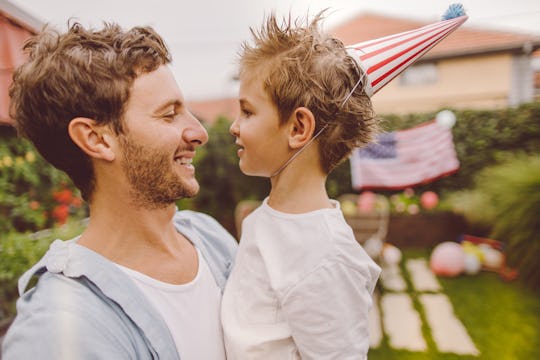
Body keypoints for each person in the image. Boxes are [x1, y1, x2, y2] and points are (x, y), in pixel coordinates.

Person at [2, 21, 237, 359]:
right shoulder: (59, 331)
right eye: (170, 115)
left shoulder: (211, 239)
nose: (199, 132)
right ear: (96, 139)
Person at [220, 12, 381, 360]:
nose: (234, 126)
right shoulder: (262, 220)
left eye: (247, 112)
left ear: (297, 129)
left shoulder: (328, 257)